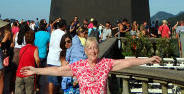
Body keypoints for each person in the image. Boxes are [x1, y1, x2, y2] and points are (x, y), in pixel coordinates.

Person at [21, 37, 161, 94]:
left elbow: (127, 62)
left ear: (98, 50)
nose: (93, 51)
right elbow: (58, 70)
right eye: (90, 48)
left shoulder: (105, 63)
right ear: (85, 51)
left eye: (95, 48)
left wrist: (148, 60)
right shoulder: (79, 66)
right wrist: (36, 70)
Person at [15, 30, 40, 94]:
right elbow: (37, 60)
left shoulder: (22, 48)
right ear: (33, 39)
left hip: (20, 73)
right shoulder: (35, 48)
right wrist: (39, 68)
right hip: (29, 74)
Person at [47, 18, 67, 94]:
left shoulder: (53, 32)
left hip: (50, 58)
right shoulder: (63, 35)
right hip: (57, 60)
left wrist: (56, 20)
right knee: (57, 82)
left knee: (50, 81)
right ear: (64, 26)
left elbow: (51, 25)